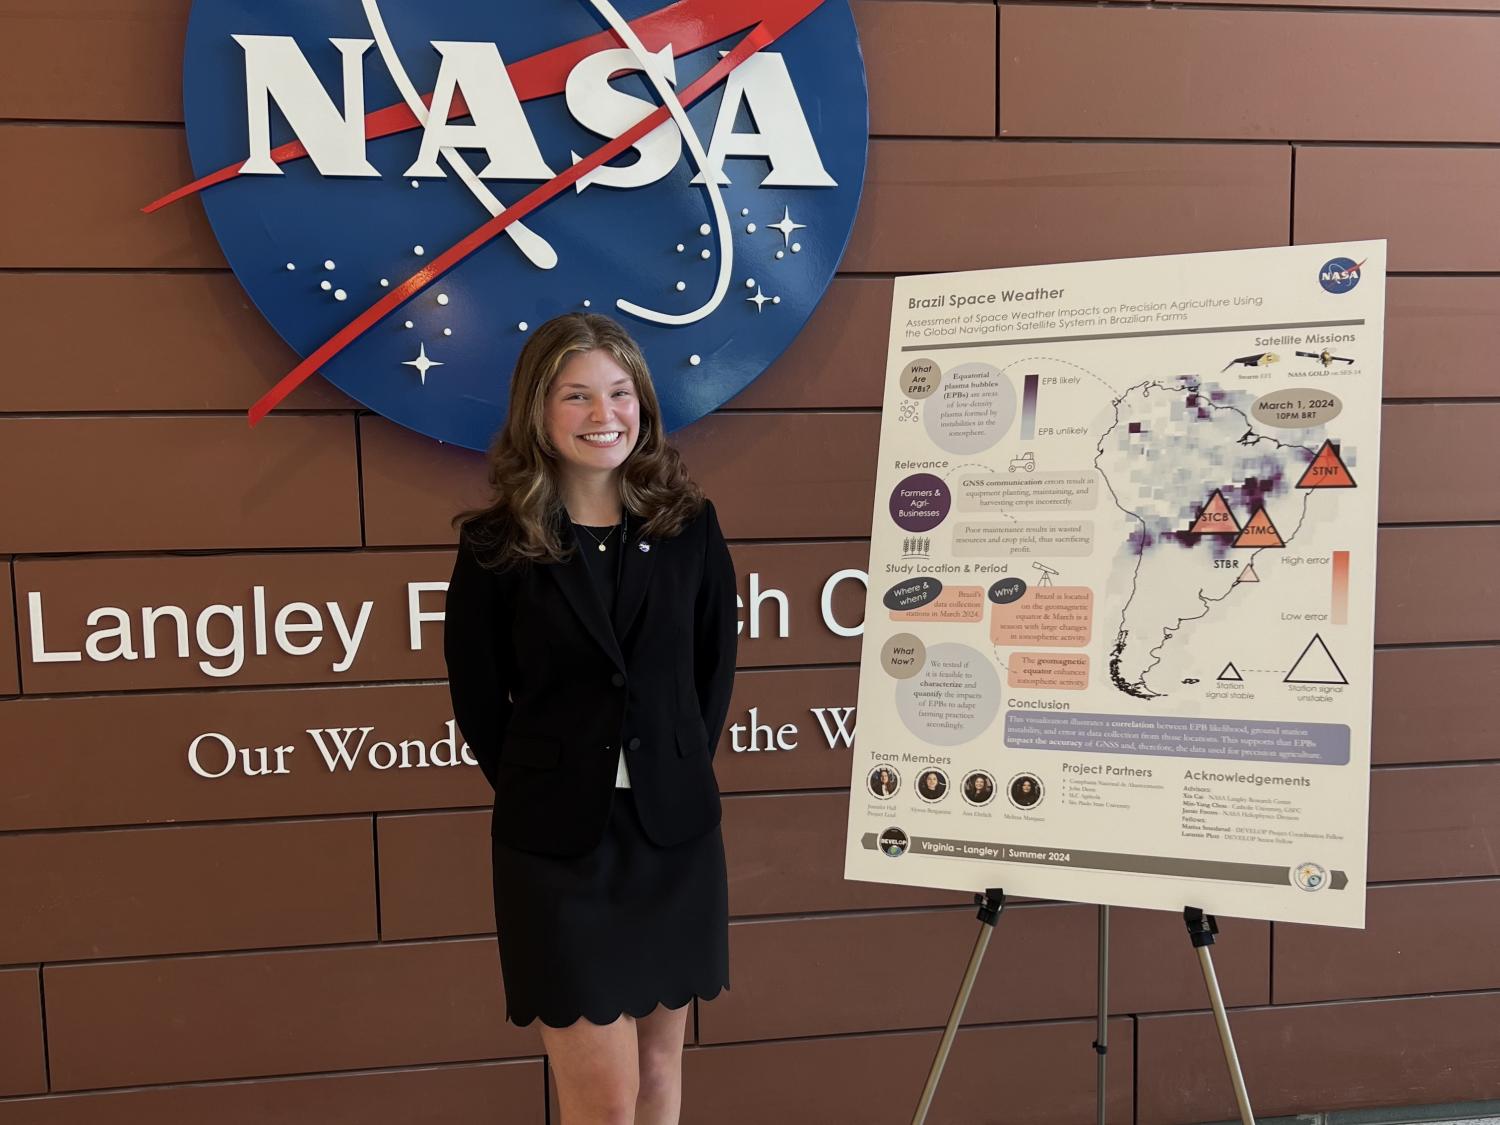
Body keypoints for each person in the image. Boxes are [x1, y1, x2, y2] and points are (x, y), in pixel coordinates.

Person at [443, 313, 738, 1125]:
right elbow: (478, 698)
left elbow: (711, 675)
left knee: (657, 1076)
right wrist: (555, 777)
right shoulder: (496, 545)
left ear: (642, 402)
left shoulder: (689, 528)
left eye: (619, 391)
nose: (603, 412)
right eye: (576, 395)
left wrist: (667, 764)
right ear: (539, 410)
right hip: (558, 850)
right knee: (603, 1101)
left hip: (673, 837)